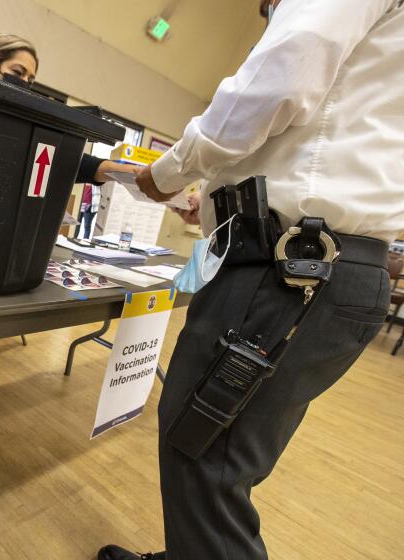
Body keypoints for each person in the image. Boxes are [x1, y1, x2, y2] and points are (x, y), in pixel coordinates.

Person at [100, 0, 404, 559]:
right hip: (338, 270)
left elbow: (283, 77)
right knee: (228, 450)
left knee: (204, 454)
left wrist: (165, 173)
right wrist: (219, 207)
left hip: (291, 272)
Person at [0, 33, 141, 188]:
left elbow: (67, 160)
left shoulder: (23, 123)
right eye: (18, 72)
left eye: (30, 80)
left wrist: (129, 172)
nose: (25, 82)